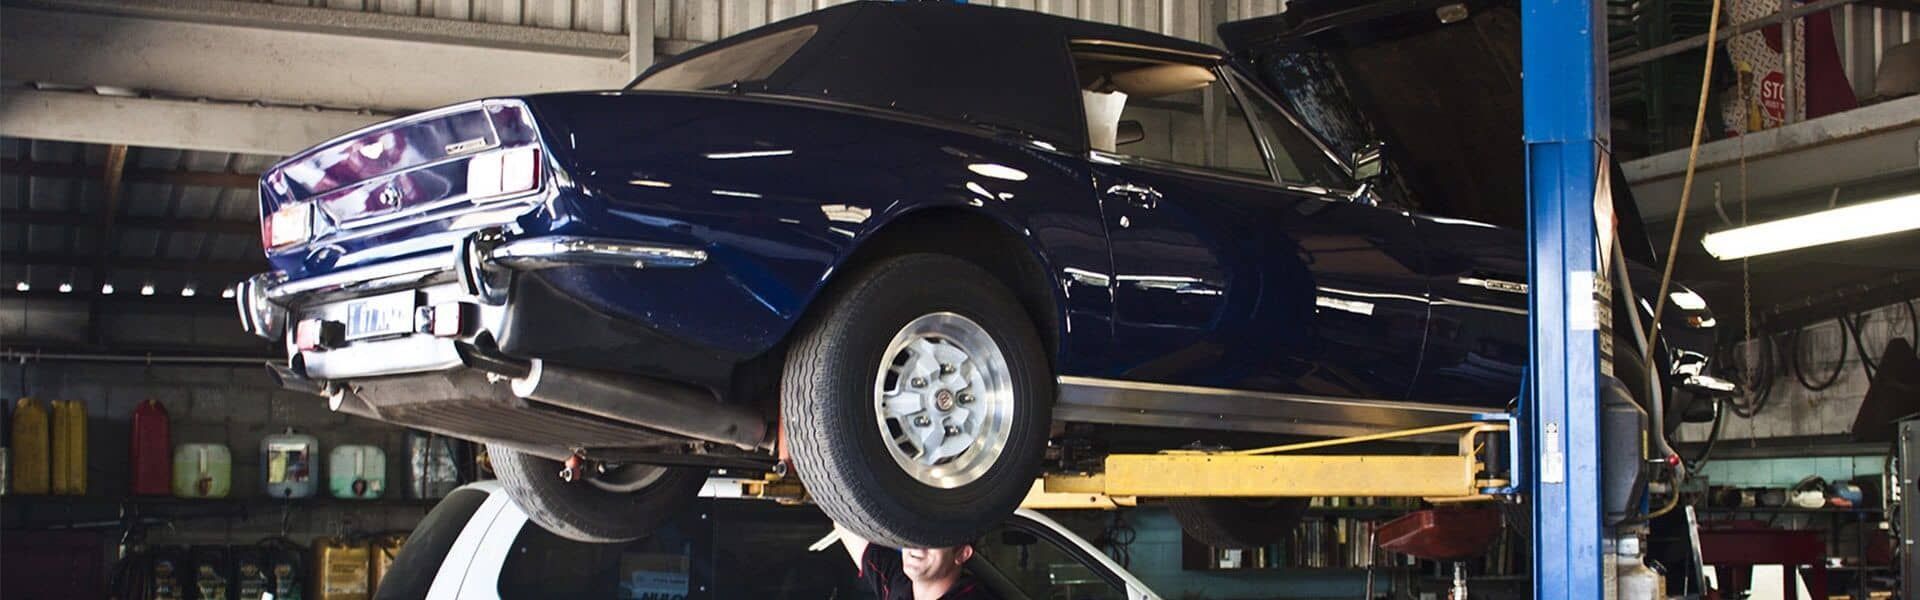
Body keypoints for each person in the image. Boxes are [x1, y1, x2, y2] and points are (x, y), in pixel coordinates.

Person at [835, 523, 997, 599]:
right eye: (914, 535)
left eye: (933, 540)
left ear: (962, 554)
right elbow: (845, 518)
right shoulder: (898, 585)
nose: (918, 545)